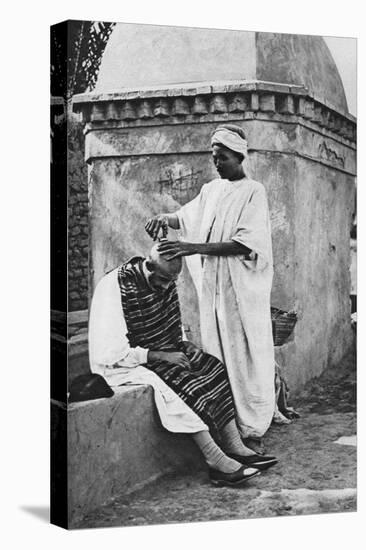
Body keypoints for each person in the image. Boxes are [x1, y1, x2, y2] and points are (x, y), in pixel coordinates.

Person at [89, 244, 278, 487]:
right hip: (127, 361)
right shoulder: (113, 287)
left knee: (212, 368)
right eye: (164, 280)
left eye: (172, 281)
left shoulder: (165, 278)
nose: (168, 286)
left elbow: (172, 321)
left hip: (163, 350)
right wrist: (157, 355)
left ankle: (234, 446)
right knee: (180, 384)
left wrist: (183, 344)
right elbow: (109, 351)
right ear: (148, 266)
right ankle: (216, 461)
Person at [145, 124, 275, 444]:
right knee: (217, 349)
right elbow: (187, 217)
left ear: (239, 156)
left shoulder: (253, 191)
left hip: (239, 287)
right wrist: (165, 218)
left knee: (243, 350)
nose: (217, 163)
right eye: (214, 157)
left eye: (224, 158)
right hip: (214, 287)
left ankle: (253, 420)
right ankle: (227, 418)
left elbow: (245, 244)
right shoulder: (211, 190)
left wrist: (192, 248)